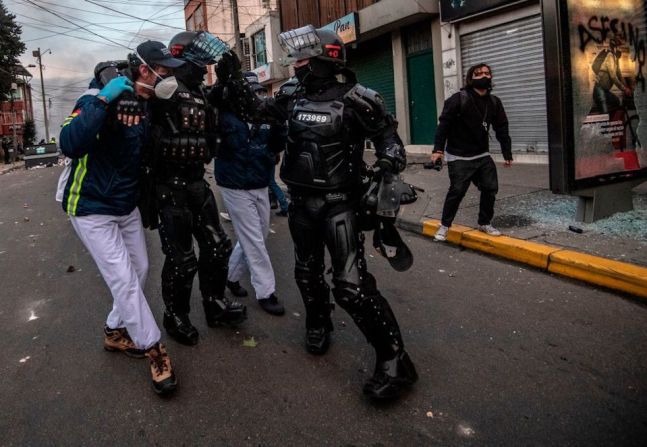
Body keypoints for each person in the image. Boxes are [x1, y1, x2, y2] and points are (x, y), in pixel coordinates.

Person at [220, 25, 418, 399]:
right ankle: (317, 322)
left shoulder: (360, 98)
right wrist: (229, 82)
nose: (296, 65)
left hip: (340, 204)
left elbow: (391, 142)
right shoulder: (291, 95)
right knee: (307, 274)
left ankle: (396, 361)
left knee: (351, 288)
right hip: (299, 202)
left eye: (303, 58)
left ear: (326, 59)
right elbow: (256, 111)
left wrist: (388, 169)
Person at [57, 40, 183, 396]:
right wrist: (103, 100)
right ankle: (154, 349)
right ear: (147, 70)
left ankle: (115, 331)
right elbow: (69, 141)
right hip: (91, 208)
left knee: (140, 268)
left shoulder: (146, 103)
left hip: (125, 206)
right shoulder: (98, 96)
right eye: (166, 71)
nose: (169, 77)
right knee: (125, 280)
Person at [133, 31, 247, 346]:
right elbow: (130, 93)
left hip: (197, 182)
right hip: (169, 187)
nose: (203, 67)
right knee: (182, 260)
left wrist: (232, 78)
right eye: (198, 60)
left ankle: (214, 303)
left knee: (218, 246)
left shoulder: (201, 92)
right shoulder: (161, 89)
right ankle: (176, 316)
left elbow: (241, 105)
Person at [211, 71, 287, 316]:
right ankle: (266, 291)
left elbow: (276, 145)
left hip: (260, 182)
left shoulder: (266, 115)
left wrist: (279, 123)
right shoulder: (225, 114)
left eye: (259, 91)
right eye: (251, 92)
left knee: (259, 234)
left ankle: (230, 276)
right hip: (234, 185)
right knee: (254, 239)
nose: (257, 96)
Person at [428, 62, 512, 242]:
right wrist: (437, 150)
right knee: (457, 191)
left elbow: (502, 128)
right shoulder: (458, 99)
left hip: (482, 155)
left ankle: (484, 222)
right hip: (458, 156)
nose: (484, 76)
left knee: (490, 188)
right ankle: (444, 226)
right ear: (470, 78)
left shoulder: (494, 102)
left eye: (487, 73)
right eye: (479, 73)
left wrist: (507, 153)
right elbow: (444, 125)